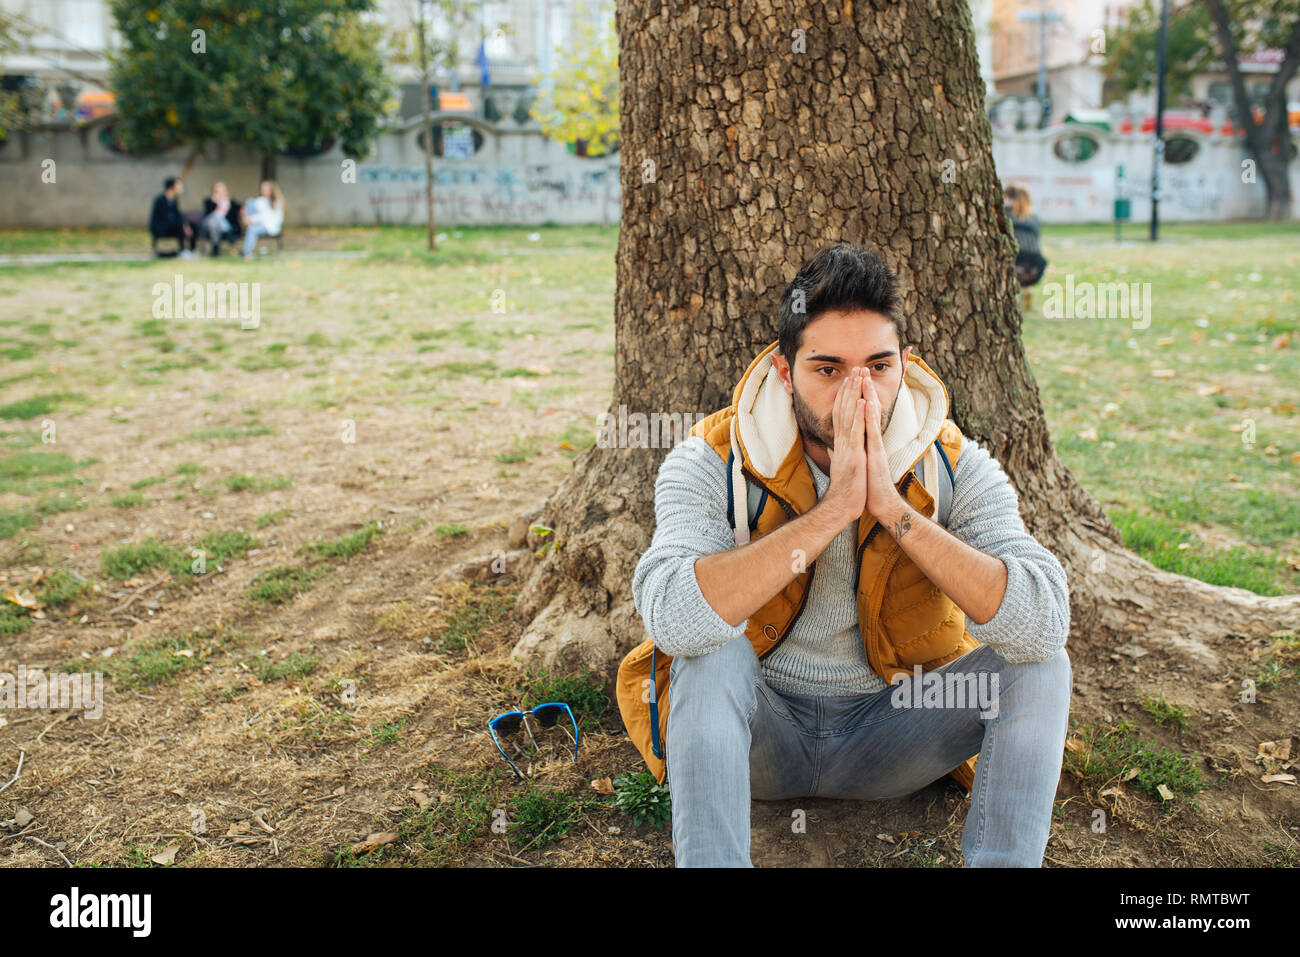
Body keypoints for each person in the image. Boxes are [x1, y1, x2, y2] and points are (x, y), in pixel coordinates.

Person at [625, 243, 1072, 867]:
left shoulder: (952, 461)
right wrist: (833, 510)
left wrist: (893, 509)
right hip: (760, 732)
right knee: (707, 651)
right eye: (828, 369)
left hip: (892, 733)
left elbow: (1043, 621)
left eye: (878, 367)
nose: (858, 392)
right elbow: (670, 616)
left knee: (1040, 666)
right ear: (786, 371)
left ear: (905, 367)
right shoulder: (712, 458)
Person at [1004, 185, 1047, 307]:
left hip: (1018, 259)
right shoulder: (1035, 218)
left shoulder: (1006, 215)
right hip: (1037, 264)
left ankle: (1012, 294)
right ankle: (1026, 290)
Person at [149, 176, 196, 258]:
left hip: (171, 226)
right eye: (179, 185)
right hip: (160, 227)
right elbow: (166, 217)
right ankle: (182, 250)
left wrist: (186, 225)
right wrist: (182, 225)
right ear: (172, 187)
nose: (181, 188)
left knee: (192, 225)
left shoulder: (174, 200)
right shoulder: (160, 200)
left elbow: (178, 215)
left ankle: (192, 250)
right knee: (179, 225)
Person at [240, 179, 285, 258]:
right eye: (262, 189)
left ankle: (246, 252)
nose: (263, 191)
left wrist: (252, 220)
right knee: (250, 201)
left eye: (265, 189)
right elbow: (258, 215)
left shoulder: (277, 202)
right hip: (261, 224)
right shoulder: (260, 201)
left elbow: (266, 217)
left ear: (271, 190)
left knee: (252, 229)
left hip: (270, 226)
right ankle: (246, 252)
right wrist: (246, 216)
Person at [200, 181, 240, 256]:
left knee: (215, 224)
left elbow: (234, 217)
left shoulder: (231, 203)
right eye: (218, 190)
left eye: (222, 190)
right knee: (215, 217)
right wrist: (217, 202)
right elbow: (207, 215)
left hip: (216, 227)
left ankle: (215, 249)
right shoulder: (209, 202)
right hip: (207, 223)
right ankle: (228, 232)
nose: (220, 192)